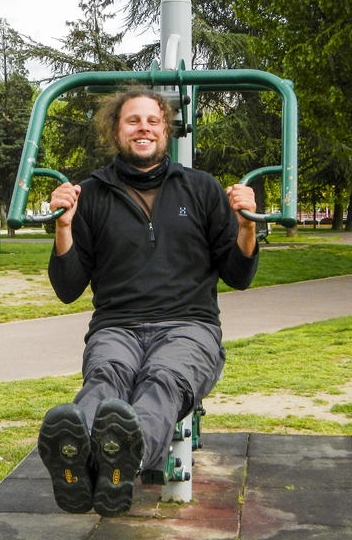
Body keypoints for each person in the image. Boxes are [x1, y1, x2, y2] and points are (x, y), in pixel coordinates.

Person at [37, 87, 259, 517]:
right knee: (106, 377)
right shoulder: (92, 196)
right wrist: (63, 227)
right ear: (115, 131)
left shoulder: (200, 189)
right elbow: (67, 288)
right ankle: (78, 462)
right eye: (132, 120)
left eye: (152, 121)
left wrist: (246, 227)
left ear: (166, 130)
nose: (143, 128)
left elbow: (238, 274)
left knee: (163, 379)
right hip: (117, 324)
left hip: (188, 324)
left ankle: (121, 464)